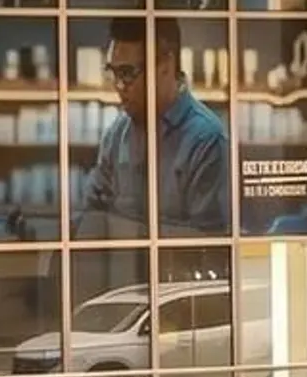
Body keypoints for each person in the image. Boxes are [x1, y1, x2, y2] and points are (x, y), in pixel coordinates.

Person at [73, 19, 232, 242]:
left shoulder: (206, 140)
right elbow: (91, 219)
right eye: (113, 73)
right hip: (123, 273)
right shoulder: (117, 136)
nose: (119, 85)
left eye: (128, 73)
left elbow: (209, 244)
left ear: (166, 66)